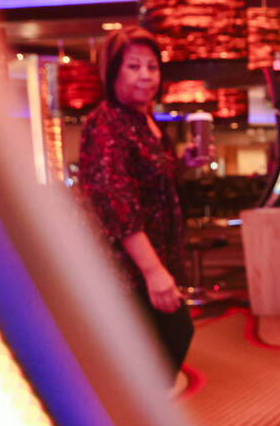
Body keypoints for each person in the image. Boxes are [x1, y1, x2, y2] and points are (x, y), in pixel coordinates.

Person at [79, 26, 194, 380]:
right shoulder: (106, 123)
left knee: (161, 345)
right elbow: (116, 204)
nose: (145, 74)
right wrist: (153, 271)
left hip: (157, 256)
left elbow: (152, 183)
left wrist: (184, 162)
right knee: (159, 344)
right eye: (133, 66)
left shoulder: (144, 121)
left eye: (152, 66)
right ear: (112, 72)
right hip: (125, 268)